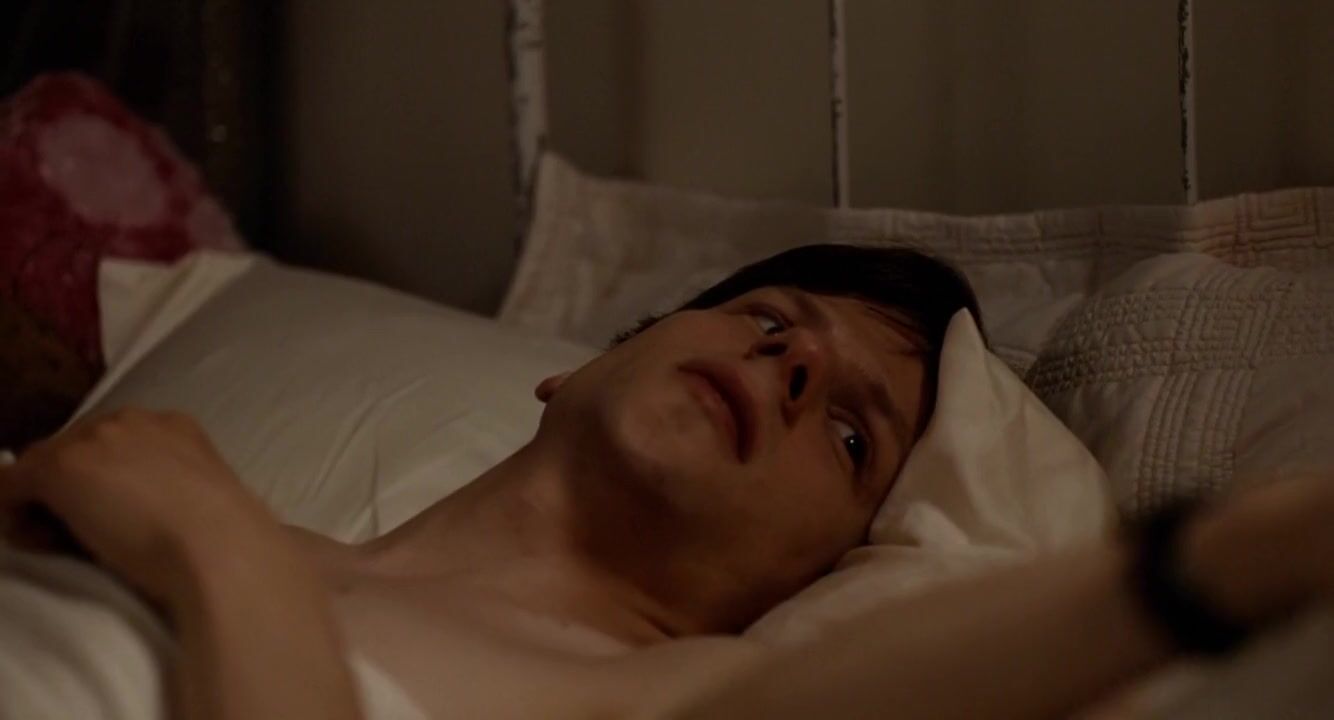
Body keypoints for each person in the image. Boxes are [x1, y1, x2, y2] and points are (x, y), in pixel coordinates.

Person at [1, 244, 1332, 719]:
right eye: (768, 319)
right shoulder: (150, 491)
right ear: (577, 368)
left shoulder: (659, 695)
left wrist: (217, 550)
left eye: (852, 438)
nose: (794, 360)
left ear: (818, 570)